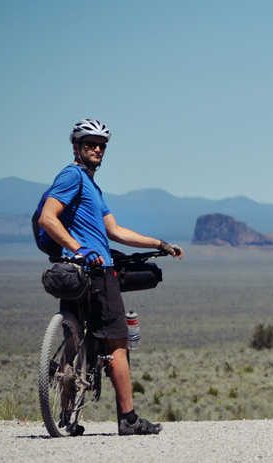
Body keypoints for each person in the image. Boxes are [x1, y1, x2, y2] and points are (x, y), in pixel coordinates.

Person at [37, 118, 183, 436]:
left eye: (102, 144)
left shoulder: (91, 186)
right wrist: (78, 248)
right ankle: (128, 419)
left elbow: (115, 231)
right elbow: (48, 217)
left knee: (72, 342)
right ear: (76, 146)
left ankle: (66, 417)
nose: (97, 148)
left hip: (75, 270)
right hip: (94, 271)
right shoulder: (72, 176)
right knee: (118, 342)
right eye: (90, 143)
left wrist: (159, 244)